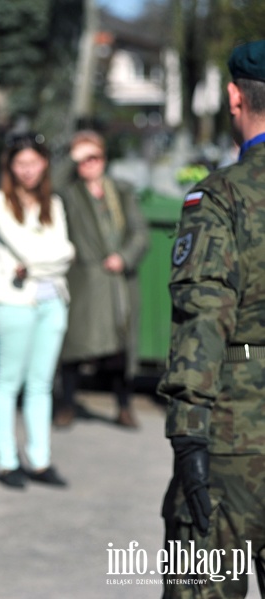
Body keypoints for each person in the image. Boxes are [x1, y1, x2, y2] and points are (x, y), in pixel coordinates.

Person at [159, 39, 265, 596]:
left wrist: (187, 434)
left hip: (236, 433)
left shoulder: (221, 196)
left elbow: (203, 317)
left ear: (233, 96)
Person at [0, 133, 74, 489]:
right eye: (20, 163)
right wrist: (45, 258)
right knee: (8, 382)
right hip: (12, 299)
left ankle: (40, 460)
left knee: (41, 384)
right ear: (10, 166)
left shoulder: (54, 202)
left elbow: (68, 253)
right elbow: (32, 249)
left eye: (33, 162)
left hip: (54, 299)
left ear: (45, 163)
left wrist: (38, 262)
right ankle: (6, 461)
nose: (27, 170)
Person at [55, 130, 149, 429]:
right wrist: (72, 157)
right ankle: (67, 404)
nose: (89, 164)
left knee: (120, 350)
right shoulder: (70, 193)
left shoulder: (121, 190)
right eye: (82, 160)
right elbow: (51, 183)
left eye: (94, 157)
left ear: (104, 159)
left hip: (117, 282)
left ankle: (123, 405)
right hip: (84, 282)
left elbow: (140, 233)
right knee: (74, 346)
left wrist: (124, 256)